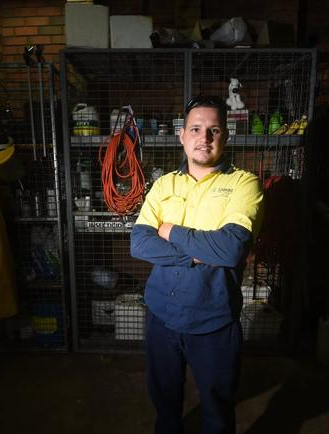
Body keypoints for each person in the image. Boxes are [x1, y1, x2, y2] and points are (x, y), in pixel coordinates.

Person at [130, 95, 264, 434]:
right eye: (196, 129)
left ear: (226, 136)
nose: (204, 138)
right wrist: (197, 253)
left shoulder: (243, 184)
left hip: (214, 320)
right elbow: (140, 243)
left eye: (213, 130)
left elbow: (230, 249)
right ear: (182, 135)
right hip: (161, 316)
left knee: (217, 407)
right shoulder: (164, 185)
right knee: (164, 401)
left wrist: (170, 230)